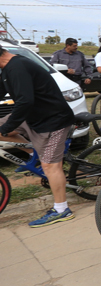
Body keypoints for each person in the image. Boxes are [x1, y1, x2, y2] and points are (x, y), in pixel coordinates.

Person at [0, 46, 77, 227]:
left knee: (50, 166)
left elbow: (25, 101)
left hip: (53, 121)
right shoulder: (7, 68)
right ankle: (33, 152)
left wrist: (7, 127)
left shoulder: (17, 67)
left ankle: (62, 210)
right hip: (33, 117)